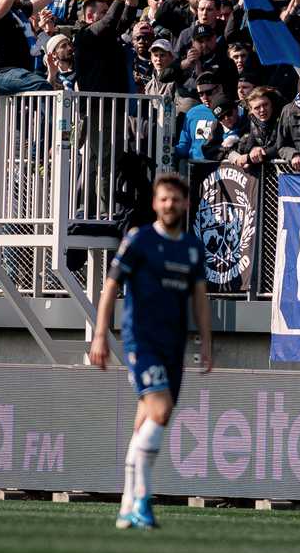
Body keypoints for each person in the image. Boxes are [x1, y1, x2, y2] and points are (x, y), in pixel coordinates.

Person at [89, 171, 211, 530]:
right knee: (161, 409)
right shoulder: (139, 239)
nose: (169, 204)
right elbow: (111, 286)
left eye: (176, 199)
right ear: (155, 203)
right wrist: (100, 334)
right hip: (141, 341)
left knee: (147, 420)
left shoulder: (192, 247)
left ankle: (127, 505)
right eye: (164, 199)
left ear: (185, 204)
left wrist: (206, 341)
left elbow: (199, 298)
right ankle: (143, 498)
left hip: (173, 344)